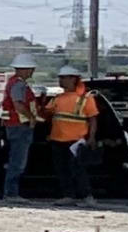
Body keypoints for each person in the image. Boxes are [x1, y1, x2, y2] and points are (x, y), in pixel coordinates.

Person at [43, 71, 102, 203]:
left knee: (77, 169)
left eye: (64, 78)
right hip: (57, 139)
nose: (61, 80)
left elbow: (93, 119)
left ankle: (87, 196)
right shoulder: (57, 98)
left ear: (73, 79)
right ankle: (68, 195)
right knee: (62, 169)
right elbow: (47, 114)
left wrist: (91, 137)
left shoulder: (86, 98)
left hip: (75, 140)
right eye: (60, 78)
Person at [0, 65, 39, 203]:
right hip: (20, 127)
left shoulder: (13, 83)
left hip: (14, 126)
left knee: (15, 160)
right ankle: (11, 194)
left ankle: (10, 193)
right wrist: (32, 117)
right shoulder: (18, 85)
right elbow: (18, 105)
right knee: (18, 162)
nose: (32, 72)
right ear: (25, 69)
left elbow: (8, 107)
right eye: (31, 69)